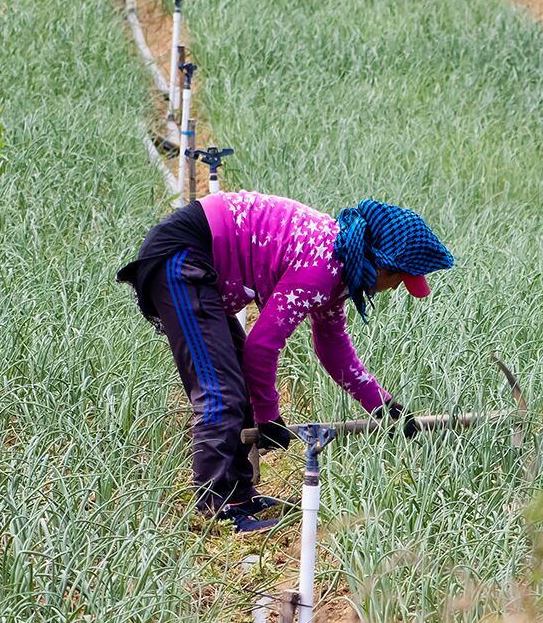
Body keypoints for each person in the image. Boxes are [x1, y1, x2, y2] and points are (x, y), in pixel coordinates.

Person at [117, 191, 454, 534]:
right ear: (380, 262)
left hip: (200, 259)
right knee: (220, 392)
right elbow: (263, 345)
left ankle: (238, 498)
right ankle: (213, 511)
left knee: (237, 386)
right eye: (399, 278)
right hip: (184, 257)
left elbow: (334, 351)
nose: (397, 288)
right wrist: (268, 416)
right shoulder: (323, 266)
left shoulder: (339, 268)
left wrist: (384, 407)